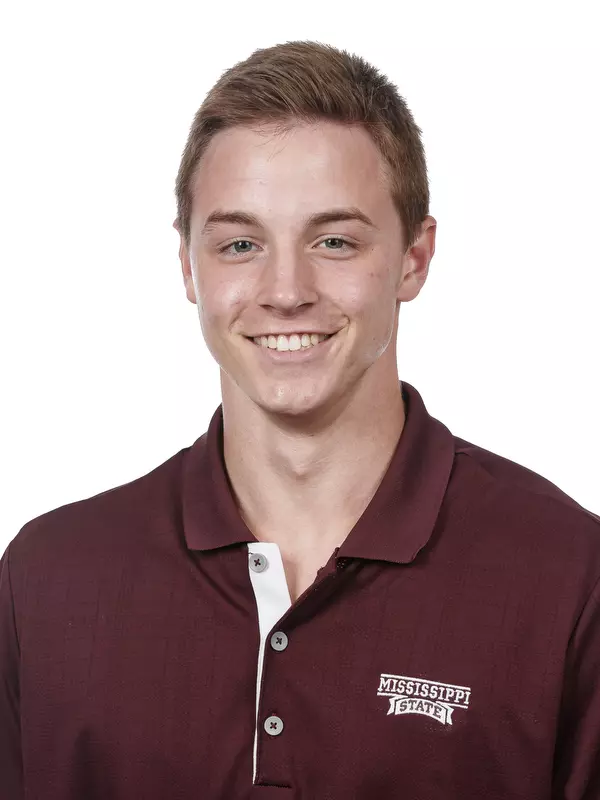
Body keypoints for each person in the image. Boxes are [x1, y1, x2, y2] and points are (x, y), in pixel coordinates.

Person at [1, 40, 599, 800]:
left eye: (335, 241)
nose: (286, 290)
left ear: (415, 257)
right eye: (241, 244)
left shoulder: (569, 578)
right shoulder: (46, 581)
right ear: (189, 266)